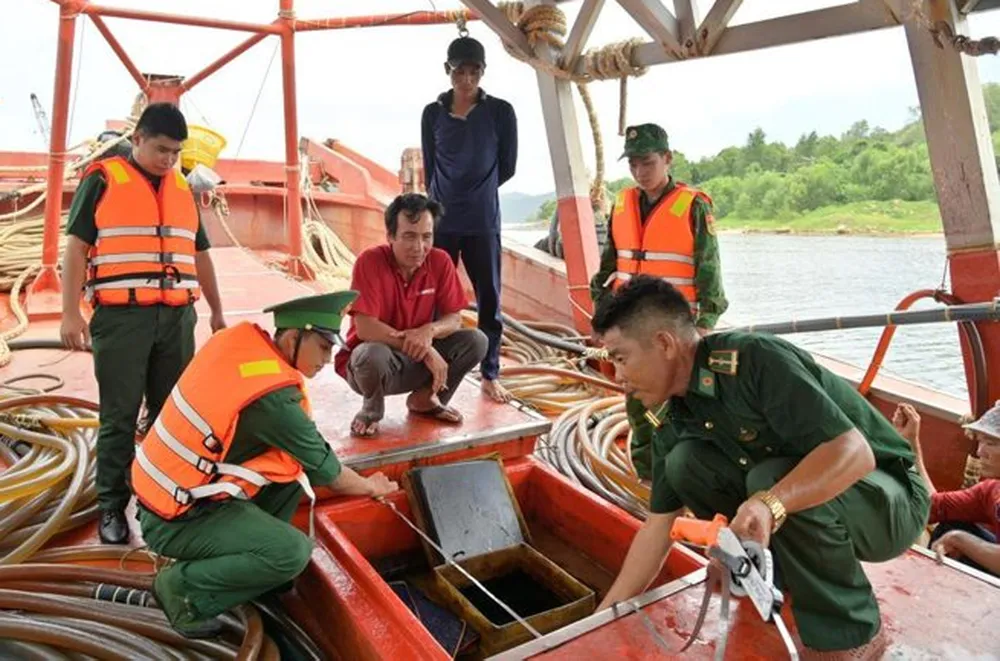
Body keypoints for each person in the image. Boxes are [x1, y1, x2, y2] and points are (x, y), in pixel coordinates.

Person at [593, 276, 929, 660]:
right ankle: (777, 581)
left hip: (889, 501)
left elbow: (855, 453)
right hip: (836, 502)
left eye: (620, 358)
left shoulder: (755, 361)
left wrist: (770, 504)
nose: (618, 377)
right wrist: (604, 616)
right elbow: (658, 528)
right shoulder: (674, 414)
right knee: (686, 463)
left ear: (665, 344)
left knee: (768, 484)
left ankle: (852, 633)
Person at [132, 291, 399, 639]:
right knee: (293, 553)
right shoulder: (272, 399)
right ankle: (182, 589)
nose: (327, 358)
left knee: (290, 468)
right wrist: (373, 486)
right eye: (322, 346)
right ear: (292, 338)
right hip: (175, 518)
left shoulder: (246, 350)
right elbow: (332, 474)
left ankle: (254, 563)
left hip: (173, 492)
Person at [60, 102, 226, 545]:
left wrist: (217, 310)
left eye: (176, 153)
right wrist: (70, 312)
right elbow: (76, 247)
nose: (169, 160)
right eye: (161, 150)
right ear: (137, 140)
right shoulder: (102, 179)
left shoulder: (182, 189)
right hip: (121, 319)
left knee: (169, 416)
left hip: (176, 318)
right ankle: (112, 507)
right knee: (119, 415)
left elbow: (200, 253)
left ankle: (160, 500)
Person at [589, 123, 729, 482]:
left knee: (678, 410)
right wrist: (601, 321)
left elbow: (709, 272)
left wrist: (704, 325)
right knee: (637, 404)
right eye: (633, 164)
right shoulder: (622, 203)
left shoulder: (693, 206)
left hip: (674, 329)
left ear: (667, 158)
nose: (640, 172)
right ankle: (649, 481)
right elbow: (606, 270)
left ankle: (685, 484)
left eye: (647, 162)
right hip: (633, 327)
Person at [335, 193, 488, 437]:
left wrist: (429, 332)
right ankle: (371, 410)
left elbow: (454, 319)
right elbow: (366, 329)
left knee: (477, 341)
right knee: (370, 354)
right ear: (390, 237)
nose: (419, 247)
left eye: (426, 237)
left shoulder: (440, 261)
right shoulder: (370, 261)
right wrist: (426, 350)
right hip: (376, 368)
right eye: (409, 236)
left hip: (413, 363)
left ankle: (425, 400)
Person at [421, 34, 517, 404]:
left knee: (489, 298)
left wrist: (477, 190)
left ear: (483, 72)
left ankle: (490, 372)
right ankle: (432, 369)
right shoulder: (432, 113)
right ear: (448, 71)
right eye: (460, 71)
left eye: (474, 71)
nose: (466, 78)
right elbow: (432, 166)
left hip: (482, 221)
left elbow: (507, 165)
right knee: (435, 298)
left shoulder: (501, 112)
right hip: (442, 221)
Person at [893, 401, 1000, 576]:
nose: (981, 452)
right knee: (949, 527)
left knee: (955, 536)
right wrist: (910, 443)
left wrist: (959, 540)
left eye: (992, 443)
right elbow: (932, 505)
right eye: (980, 442)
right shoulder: (991, 491)